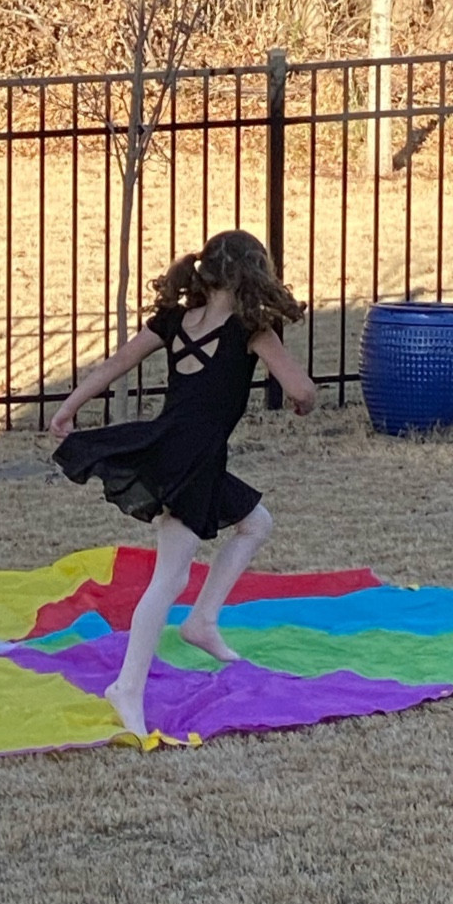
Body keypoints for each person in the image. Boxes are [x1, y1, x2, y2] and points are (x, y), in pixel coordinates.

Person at [49, 228, 317, 740]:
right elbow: (301, 389)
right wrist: (306, 402)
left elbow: (116, 363)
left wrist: (68, 407)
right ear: (251, 276)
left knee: (255, 523)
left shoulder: (176, 320)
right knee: (168, 578)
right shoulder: (250, 329)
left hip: (176, 445)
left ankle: (202, 623)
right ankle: (127, 687)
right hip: (191, 458)